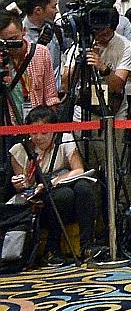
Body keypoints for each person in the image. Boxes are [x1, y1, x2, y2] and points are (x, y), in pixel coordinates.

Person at [6, 105, 100, 257]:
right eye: (34, 132)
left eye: (44, 132)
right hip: (40, 203)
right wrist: (20, 184)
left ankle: (87, 245)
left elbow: (79, 170)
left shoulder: (65, 139)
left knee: (83, 187)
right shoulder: (20, 149)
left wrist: (54, 181)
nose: (39, 137)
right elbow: (25, 188)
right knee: (64, 195)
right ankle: (52, 247)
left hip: (62, 191)